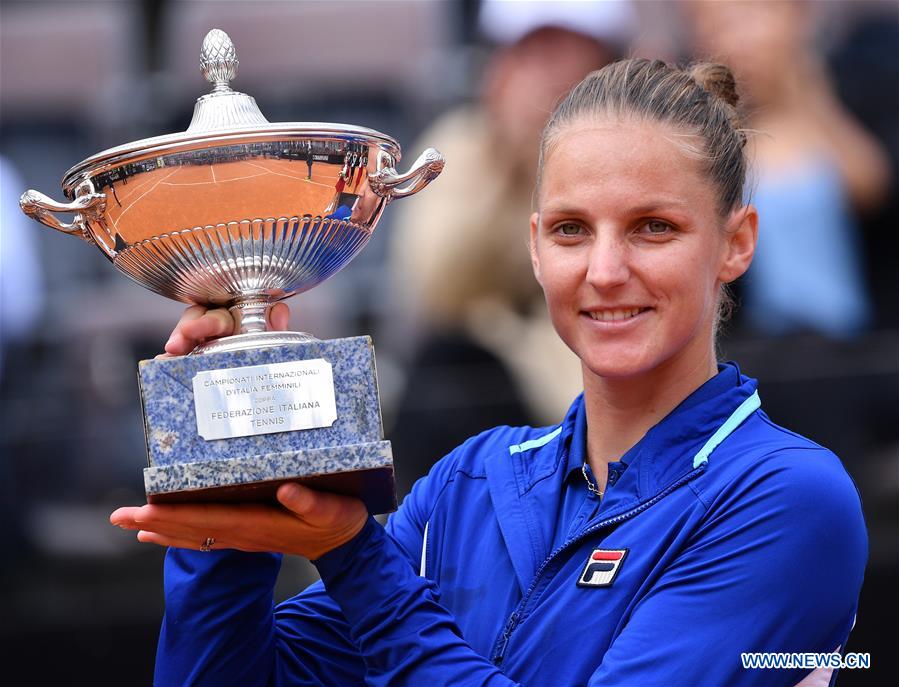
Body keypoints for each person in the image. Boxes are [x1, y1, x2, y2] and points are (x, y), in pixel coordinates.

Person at [111, 59, 867, 686]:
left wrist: (353, 554)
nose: (605, 270)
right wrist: (230, 481)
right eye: (571, 230)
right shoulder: (467, 484)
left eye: (653, 227)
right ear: (535, 247)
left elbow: (376, 593)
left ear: (736, 243)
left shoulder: (788, 497)